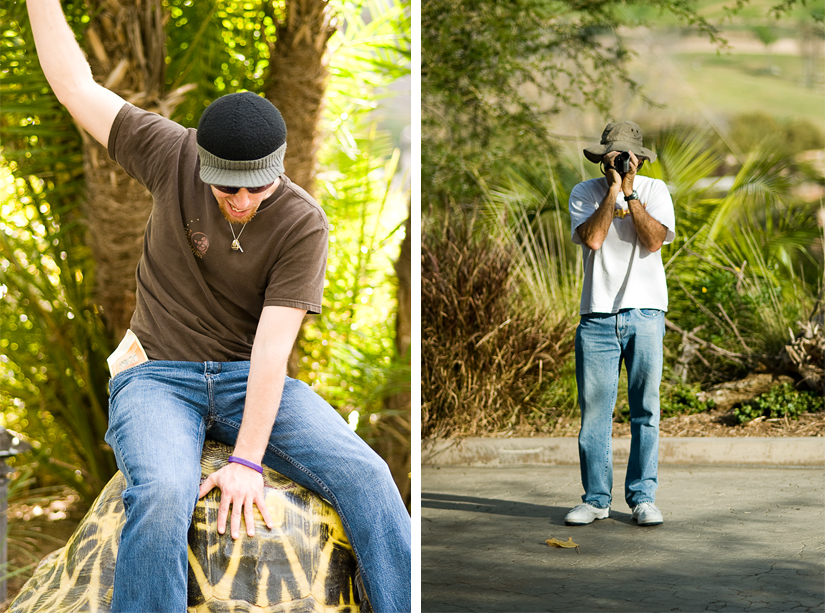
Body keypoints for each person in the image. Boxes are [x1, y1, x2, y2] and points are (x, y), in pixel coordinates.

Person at [26, 2, 411, 612]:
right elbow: (76, 87)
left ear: (279, 169)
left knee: (369, 477)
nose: (240, 198)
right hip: (156, 375)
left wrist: (246, 462)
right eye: (226, 185)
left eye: (257, 186)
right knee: (160, 496)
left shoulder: (302, 222)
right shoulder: (170, 153)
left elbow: (270, 349)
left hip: (248, 376)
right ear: (202, 161)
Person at [564, 121, 676, 528]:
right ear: (601, 158)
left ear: (641, 160)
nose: (623, 161)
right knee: (594, 413)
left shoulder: (655, 191)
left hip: (646, 313)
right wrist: (613, 190)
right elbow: (594, 239)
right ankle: (595, 500)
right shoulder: (584, 193)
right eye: (615, 155)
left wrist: (630, 190)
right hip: (596, 316)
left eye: (629, 156)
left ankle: (643, 498)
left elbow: (653, 241)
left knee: (646, 410)